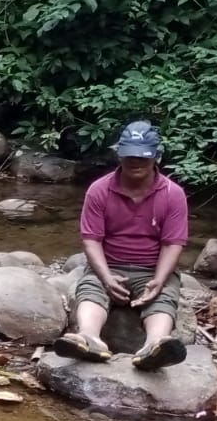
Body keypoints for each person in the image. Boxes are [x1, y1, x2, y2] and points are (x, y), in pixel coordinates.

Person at [53, 119, 190, 370]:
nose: (135, 162)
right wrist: (106, 277)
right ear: (119, 155)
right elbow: (91, 239)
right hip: (110, 265)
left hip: (151, 269)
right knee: (91, 288)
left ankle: (155, 345)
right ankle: (89, 338)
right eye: (130, 156)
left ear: (156, 157)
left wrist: (159, 280)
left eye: (142, 157)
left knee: (163, 296)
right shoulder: (99, 190)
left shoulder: (173, 194)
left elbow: (172, 244)